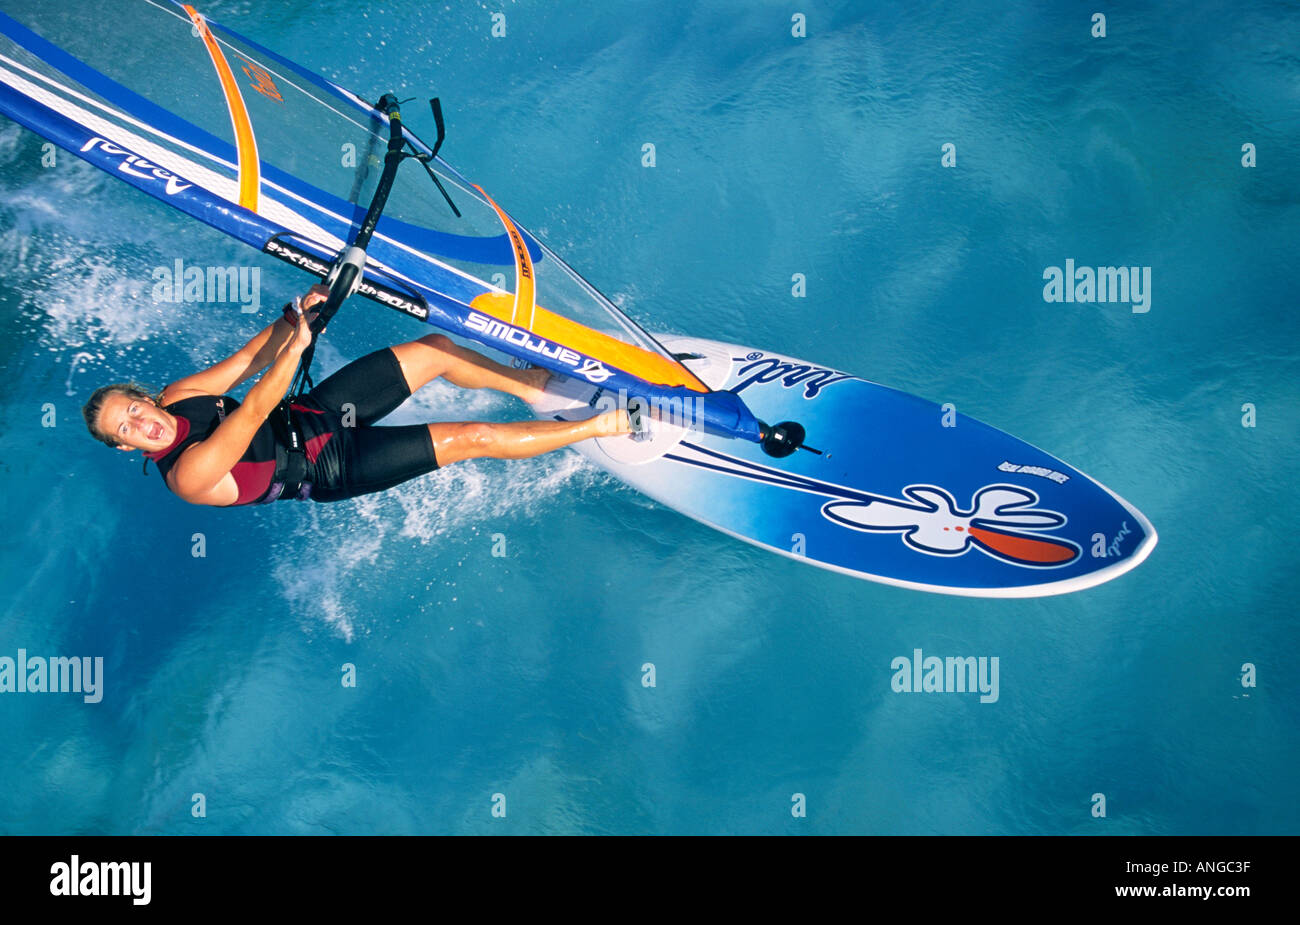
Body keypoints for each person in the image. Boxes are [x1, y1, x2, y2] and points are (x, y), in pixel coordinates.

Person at [81, 285, 630, 506]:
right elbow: (249, 414)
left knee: (434, 348)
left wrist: (298, 315)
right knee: (471, 437)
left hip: (314, 413)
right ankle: (603, 426)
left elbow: (251, 361)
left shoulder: (182, 395)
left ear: (146, 397)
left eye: (133, 409)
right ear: (127, 448)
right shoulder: (187, 477)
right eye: (125, 430)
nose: (141, 424)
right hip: (329, 468)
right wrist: (297, 348)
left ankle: (533, 386)